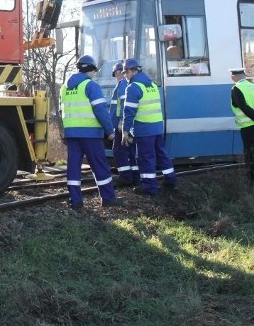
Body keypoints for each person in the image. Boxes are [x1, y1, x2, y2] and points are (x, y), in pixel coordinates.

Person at [59, 55, 123, 210]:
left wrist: (65, 132)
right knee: (99, 165)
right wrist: (110, 131)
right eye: (95, 71)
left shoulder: (64, 87)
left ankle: (76, 201)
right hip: (91, 134)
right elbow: (100, 110)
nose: (95, 74)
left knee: (73, 167)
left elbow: (62, 111)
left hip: (72, 134)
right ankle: (108, 198)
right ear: (91, 70)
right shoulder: (91, 86)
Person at [122, 58, 176, 196]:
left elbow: (129, 112)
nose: (125, 76)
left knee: (145, 158)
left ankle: (149, 187)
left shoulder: (133, 87)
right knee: (161, 154)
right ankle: (170, 179)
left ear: (133, 71)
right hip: (157, 127)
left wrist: (125, 130)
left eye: (126, 72)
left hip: (144, 129)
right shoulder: (151, 85)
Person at [109, 62, 138, 186]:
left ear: (118, 73)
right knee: (131, 151)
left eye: (116, 74)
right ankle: (135, 177)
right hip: (128, 124)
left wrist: (121, 121)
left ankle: (125, 177)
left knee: (119, 150)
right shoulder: (129, 84)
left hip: (121, 125)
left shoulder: (122, 85)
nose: (117, 76)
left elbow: (123, 103)